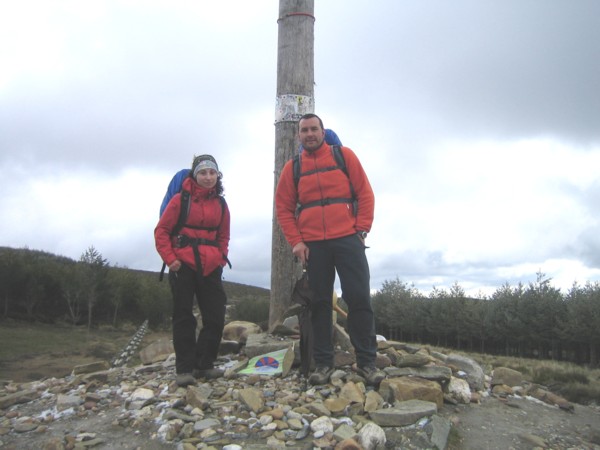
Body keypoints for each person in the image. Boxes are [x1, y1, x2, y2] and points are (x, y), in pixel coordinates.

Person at [275, 113, 385, 386]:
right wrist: (297, 242)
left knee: (359, 298)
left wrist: (361, 230)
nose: (310, 134)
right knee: (319, 304)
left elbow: (365, 193)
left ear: (323, 132)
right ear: (299, 136)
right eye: (305, 130)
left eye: (314, 129)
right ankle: (323, 364)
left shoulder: (344, 156)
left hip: (348, 239)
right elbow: (284, 208)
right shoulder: (293, 168)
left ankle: (367, 363)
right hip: (314, 246)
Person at [155, 155, 230, 387]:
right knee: (184, 318)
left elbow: (223, 235)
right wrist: (171, 260)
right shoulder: (179, 200)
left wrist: (220, 257)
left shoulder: (221, 204)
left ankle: (205, 364)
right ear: (194, 175)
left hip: (210, 266)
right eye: (203, 173)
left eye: (212, 173)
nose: (208, 177)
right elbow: (162, 232)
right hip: (183, 265)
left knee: (215, 317)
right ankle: (185, 368)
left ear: (218, 176)